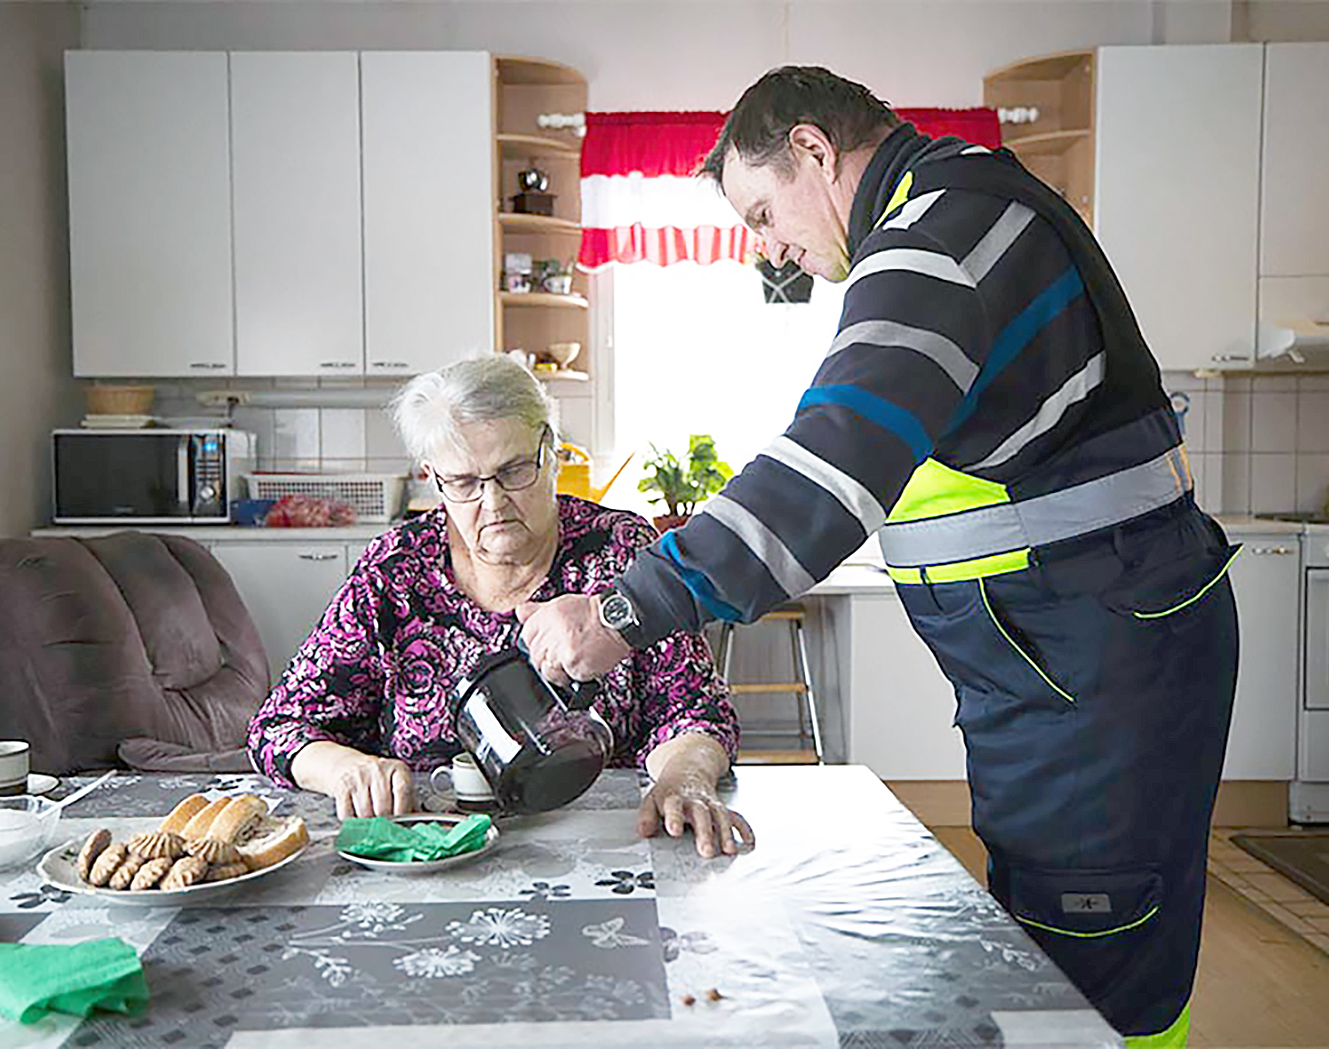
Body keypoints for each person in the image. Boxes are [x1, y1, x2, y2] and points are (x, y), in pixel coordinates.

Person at [518, 66, 1237, 1047]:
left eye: (763, 211)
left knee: (1090, 962)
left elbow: (827, 470)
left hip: (1094, 666)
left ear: (815, 149)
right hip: (1071, 659)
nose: (767, 249)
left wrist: (619, 612)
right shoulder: (959, 207)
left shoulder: (933, 237)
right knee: (1062, 944)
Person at [246, 355, 753, 859]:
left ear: (550, 452)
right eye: (464, 483)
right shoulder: (392, 572)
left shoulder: (622, 553)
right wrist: (344, 769)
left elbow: (695, 712)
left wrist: (685, 775)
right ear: (433, 479)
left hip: (604, 849)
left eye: (513, 471)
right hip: (426, 859)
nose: (493, 503)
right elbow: (279, 727)